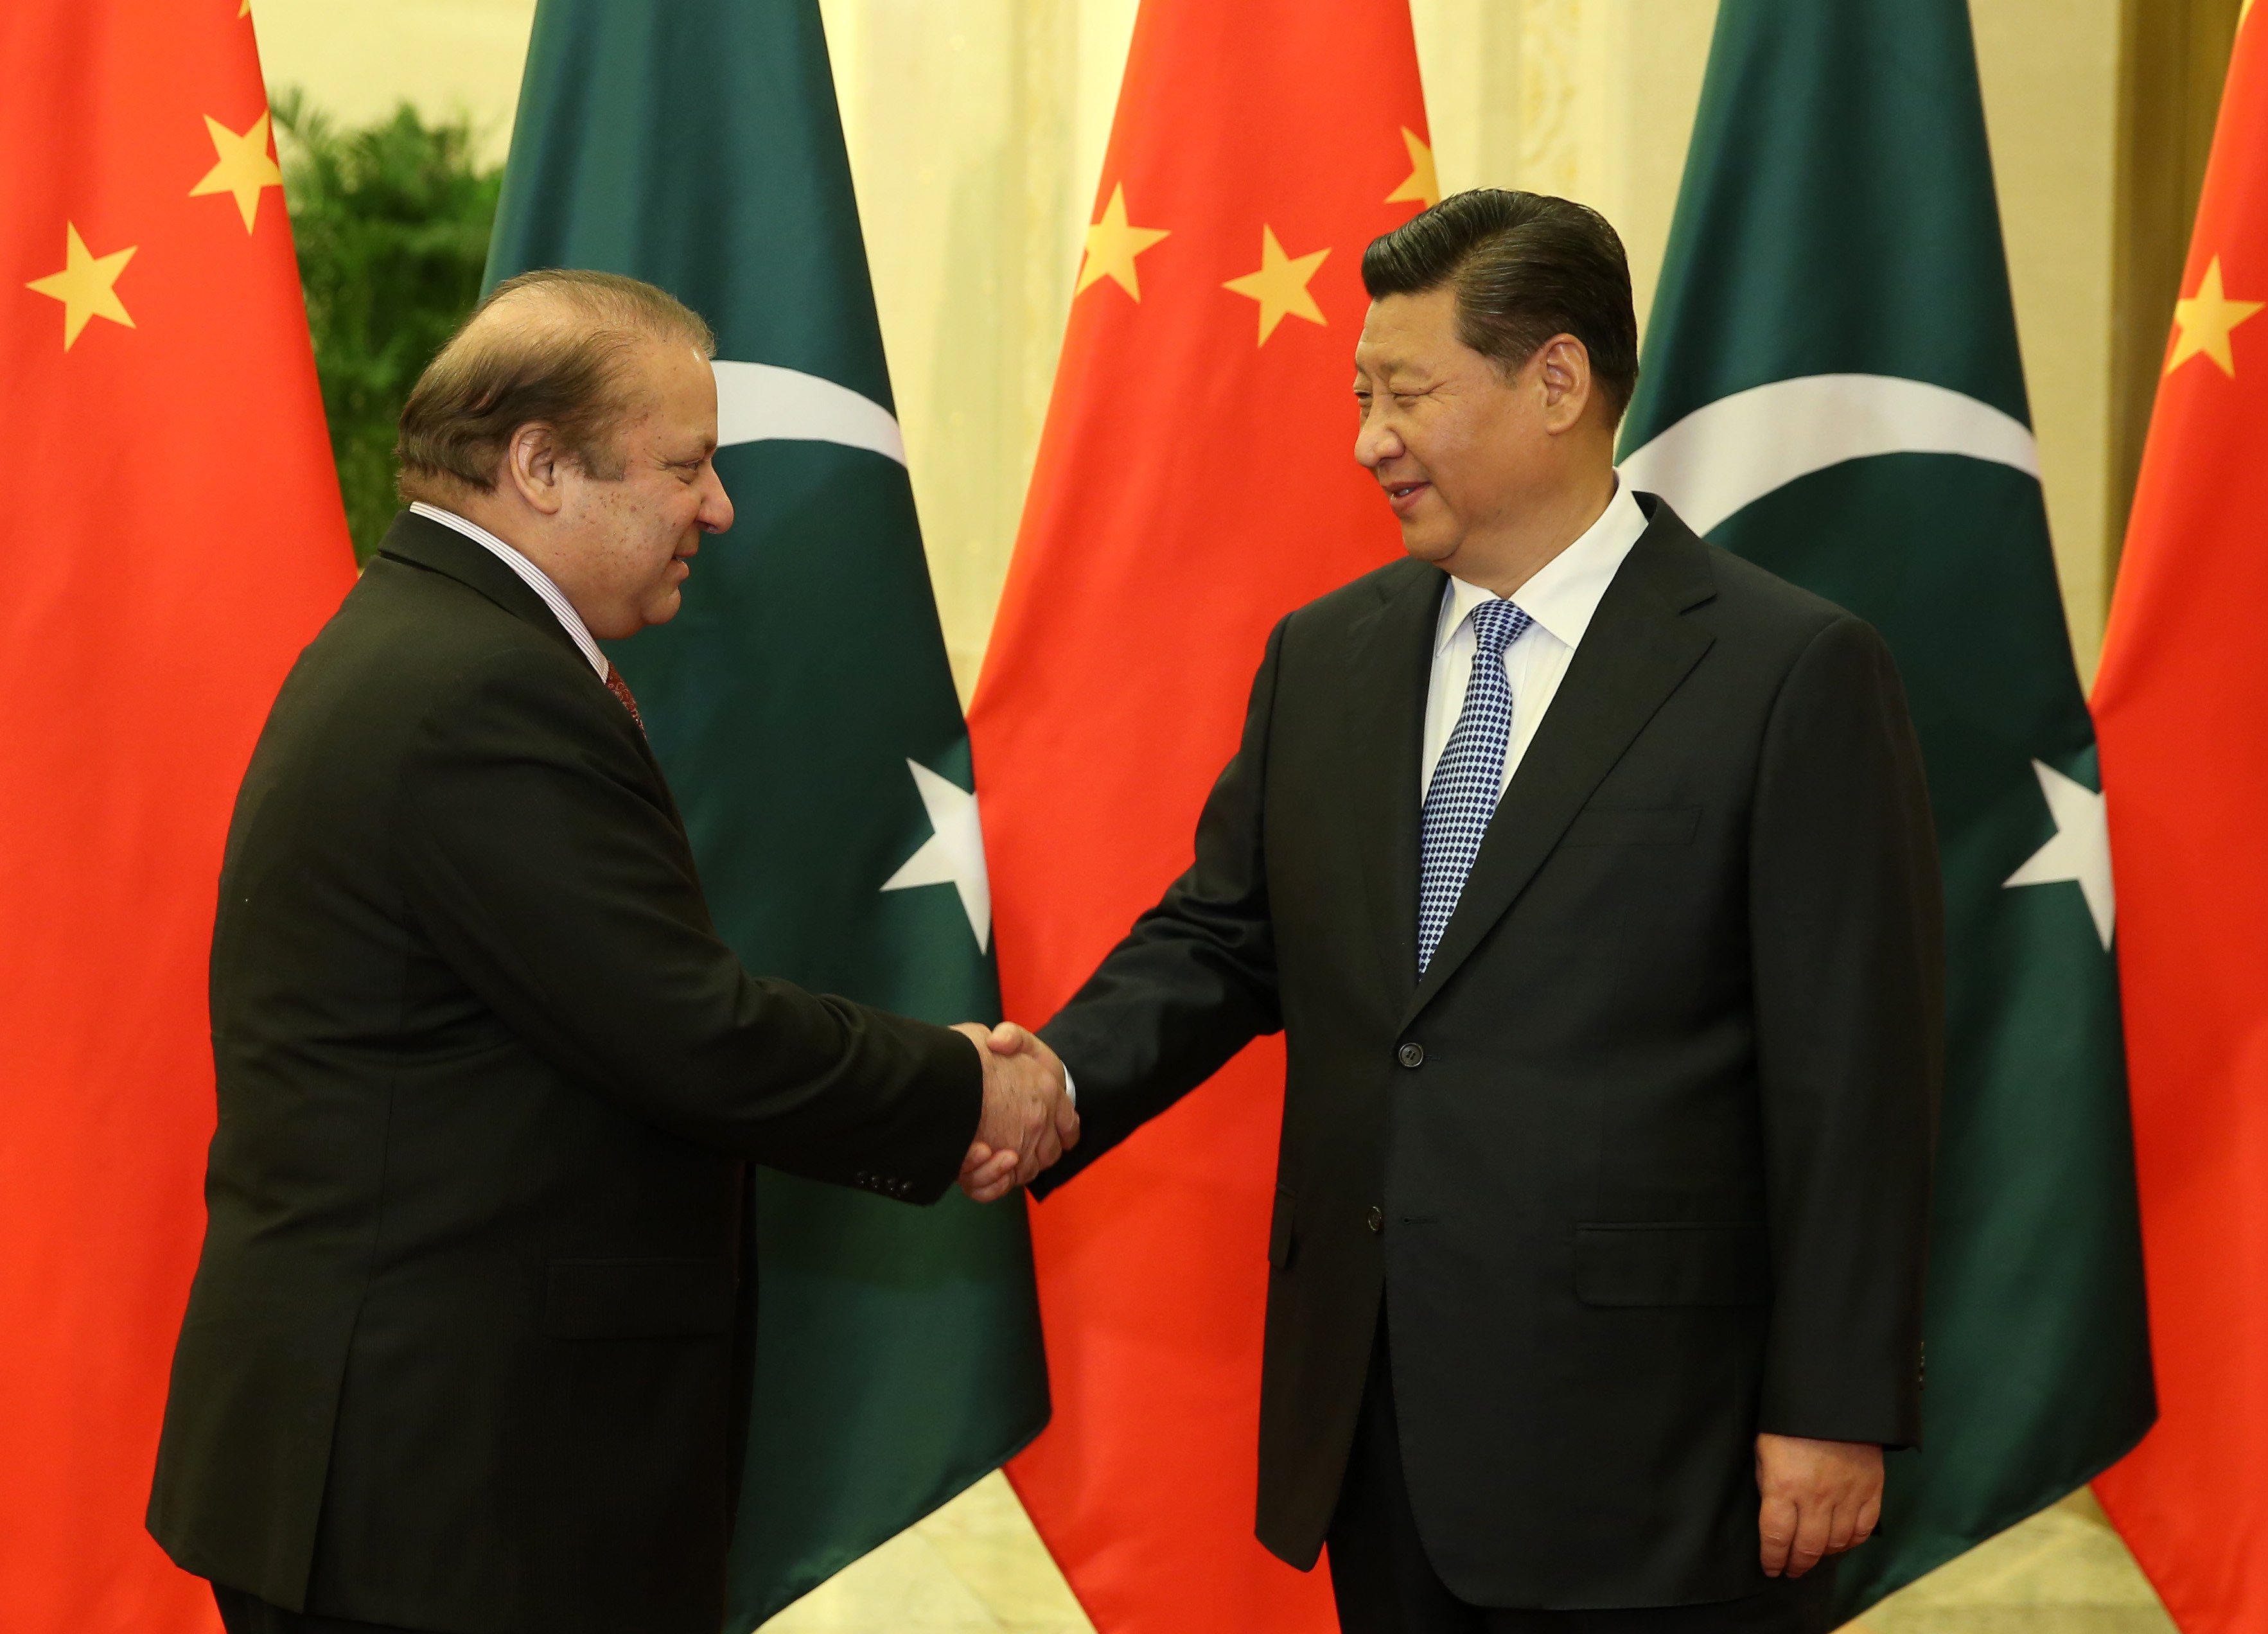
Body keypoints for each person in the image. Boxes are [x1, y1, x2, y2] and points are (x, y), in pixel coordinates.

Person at [983, 190, 1942, 1633]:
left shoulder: (1785, 670)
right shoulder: (1329, 654)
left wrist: (1834, 1404)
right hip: (1377, 1428)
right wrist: (1050, 1077)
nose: (1367, 438)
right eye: (1359, 394)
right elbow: (1223, 936)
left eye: (1404, 393)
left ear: (1554, 382)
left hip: (1658, 1455)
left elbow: (1853, 1074)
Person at [146, 269, 1074, 1634]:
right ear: (539, 466)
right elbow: (683, 1031)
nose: (719, 507)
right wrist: (962, 1087)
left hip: (425, 1462)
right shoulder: (477, 688)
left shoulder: (436, 640)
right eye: (687, 466)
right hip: (446, 1490)